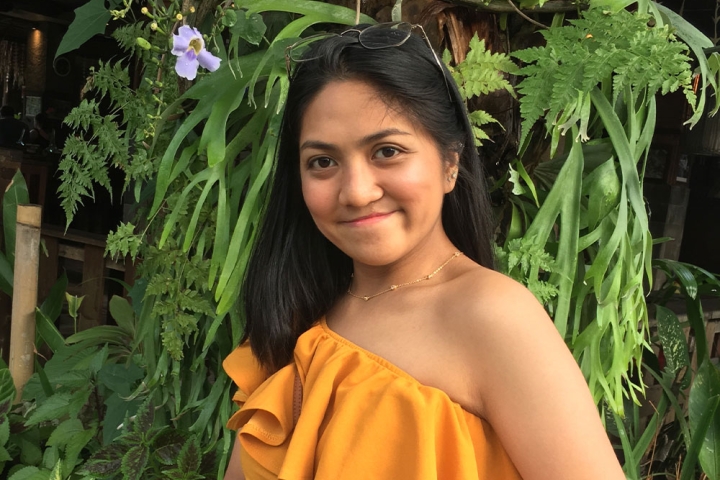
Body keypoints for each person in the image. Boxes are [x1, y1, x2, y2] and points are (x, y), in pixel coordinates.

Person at [223, 22, 625, 480]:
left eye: (387, 151)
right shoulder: (299, 315)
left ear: (450, 163)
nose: (356, 192)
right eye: (323, 162)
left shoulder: (492, 316)